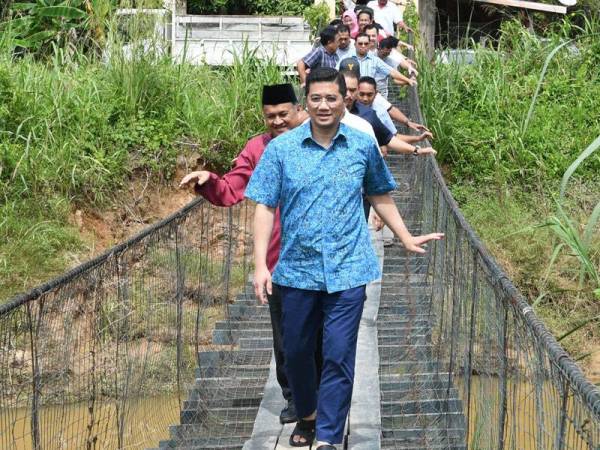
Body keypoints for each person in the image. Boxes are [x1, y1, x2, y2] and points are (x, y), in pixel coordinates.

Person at [246, 67, 444, 449]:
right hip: (295, 271)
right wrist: (260, 265)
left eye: (331, 98)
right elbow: (264, 206)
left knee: (338, 354)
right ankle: (308, 415)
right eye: (316, 98)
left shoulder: (361, 144)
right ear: (306, 101)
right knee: (299, 353)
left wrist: (403, 236)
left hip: (349, 268)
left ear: (344, 101)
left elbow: (379, 192)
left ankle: (328, 437)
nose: (323, 105)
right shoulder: (281, 150)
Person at [179, 84, 317, 426]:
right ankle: (296, 400)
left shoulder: (321, 139)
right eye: (270, 116)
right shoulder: (258, 148)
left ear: (299, 110)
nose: (278, 121)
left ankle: (322, 399)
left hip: (321, 257)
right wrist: (208, 180)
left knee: (323, 335)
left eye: (284, 114)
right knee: (287, 337)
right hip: (278, 261)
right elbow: (231, 188)